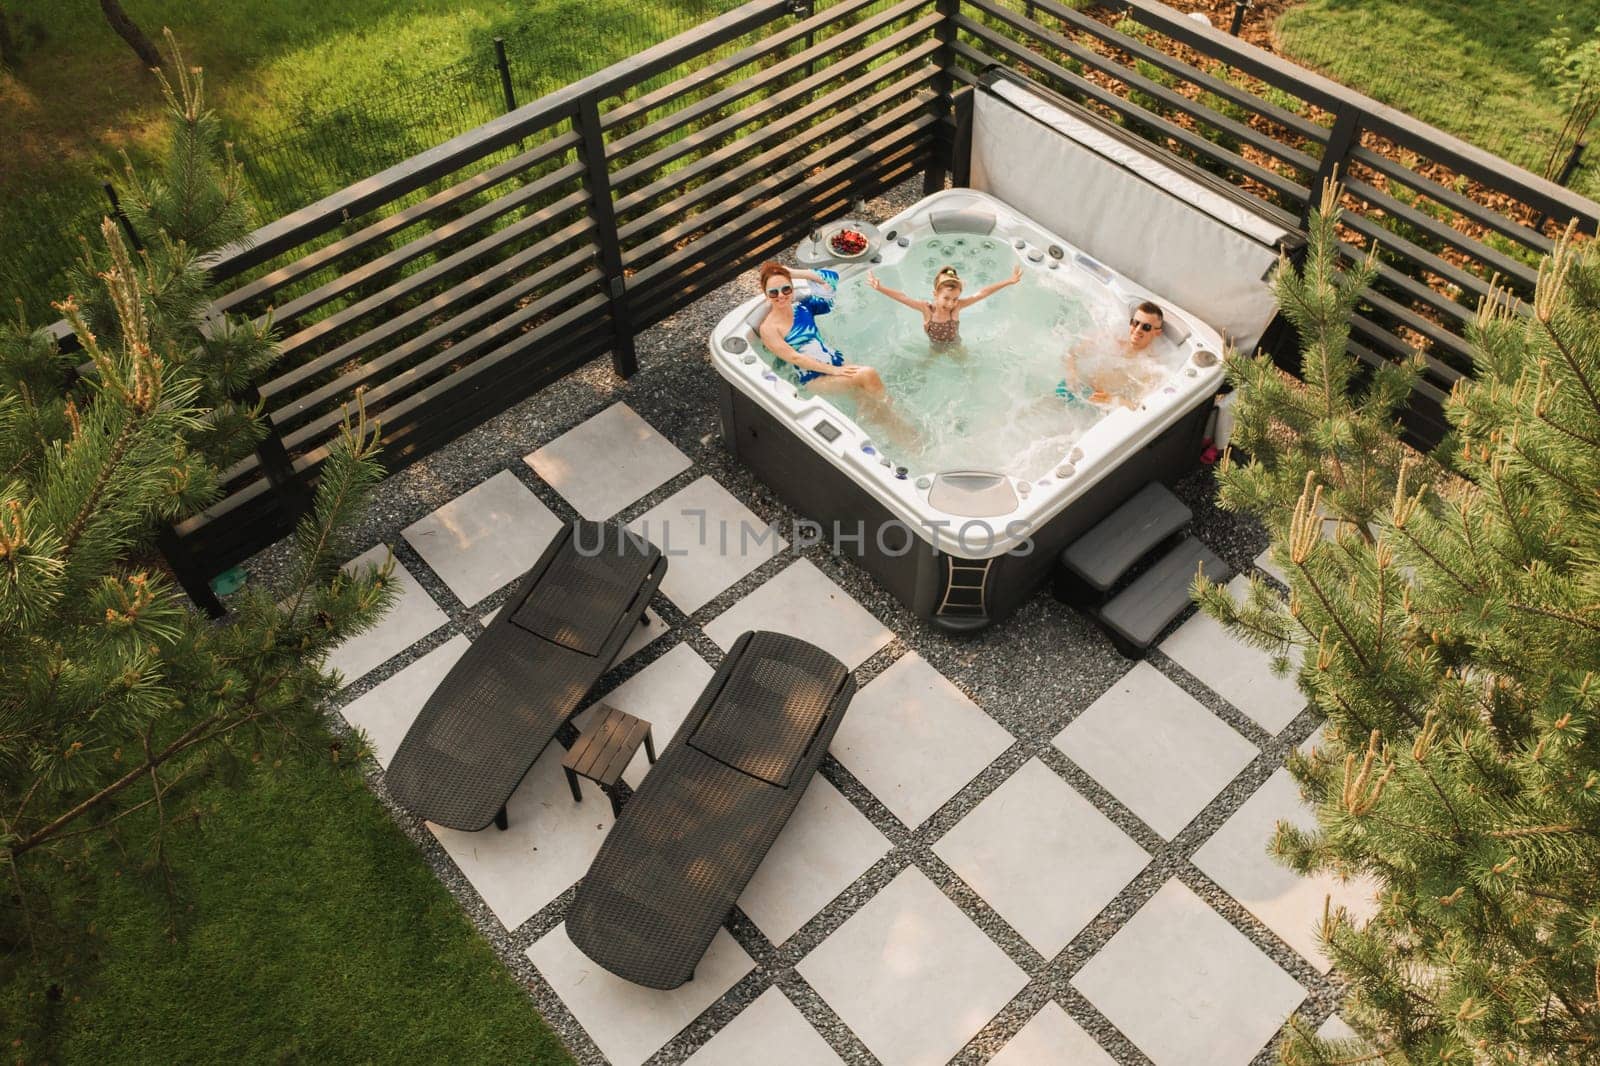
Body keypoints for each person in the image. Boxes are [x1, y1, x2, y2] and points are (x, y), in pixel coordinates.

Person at [754, 261, 915, 442]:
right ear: (765, 293)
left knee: (867, 401)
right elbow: (794, 357)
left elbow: (831, 280)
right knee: (868, 375)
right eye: (773, 292)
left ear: (792, 287)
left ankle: (886, 432)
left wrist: (794, 272)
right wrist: (834, 370)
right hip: (814, 377)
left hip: (835, 362)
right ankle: (900, 424)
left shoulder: (803, 307)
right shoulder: (768, 328)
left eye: (786, 289)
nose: (781, 296)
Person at [863, 263, 1022, 348]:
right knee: (926, 366)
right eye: (946, 298)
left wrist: (1009, 281)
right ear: (935, 294)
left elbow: (982, 293)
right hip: (935, 346)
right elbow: (902, 297)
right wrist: (880, 288)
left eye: (955, 298)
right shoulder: (927, 309)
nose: (951, 303)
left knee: (967, 371)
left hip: (955, 344)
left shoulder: (957, 307)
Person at [1057, 300, 1168, 410]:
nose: (1138, 329)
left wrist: (1111, 400)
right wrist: (1071, 374)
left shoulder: (1150, 366)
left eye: (1146, 327)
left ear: (1157, 333)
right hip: (1079, 388)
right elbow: (1071, 353)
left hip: (1100, 407)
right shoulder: (1111, 341)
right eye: (1135, 323)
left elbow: (1140, 408)